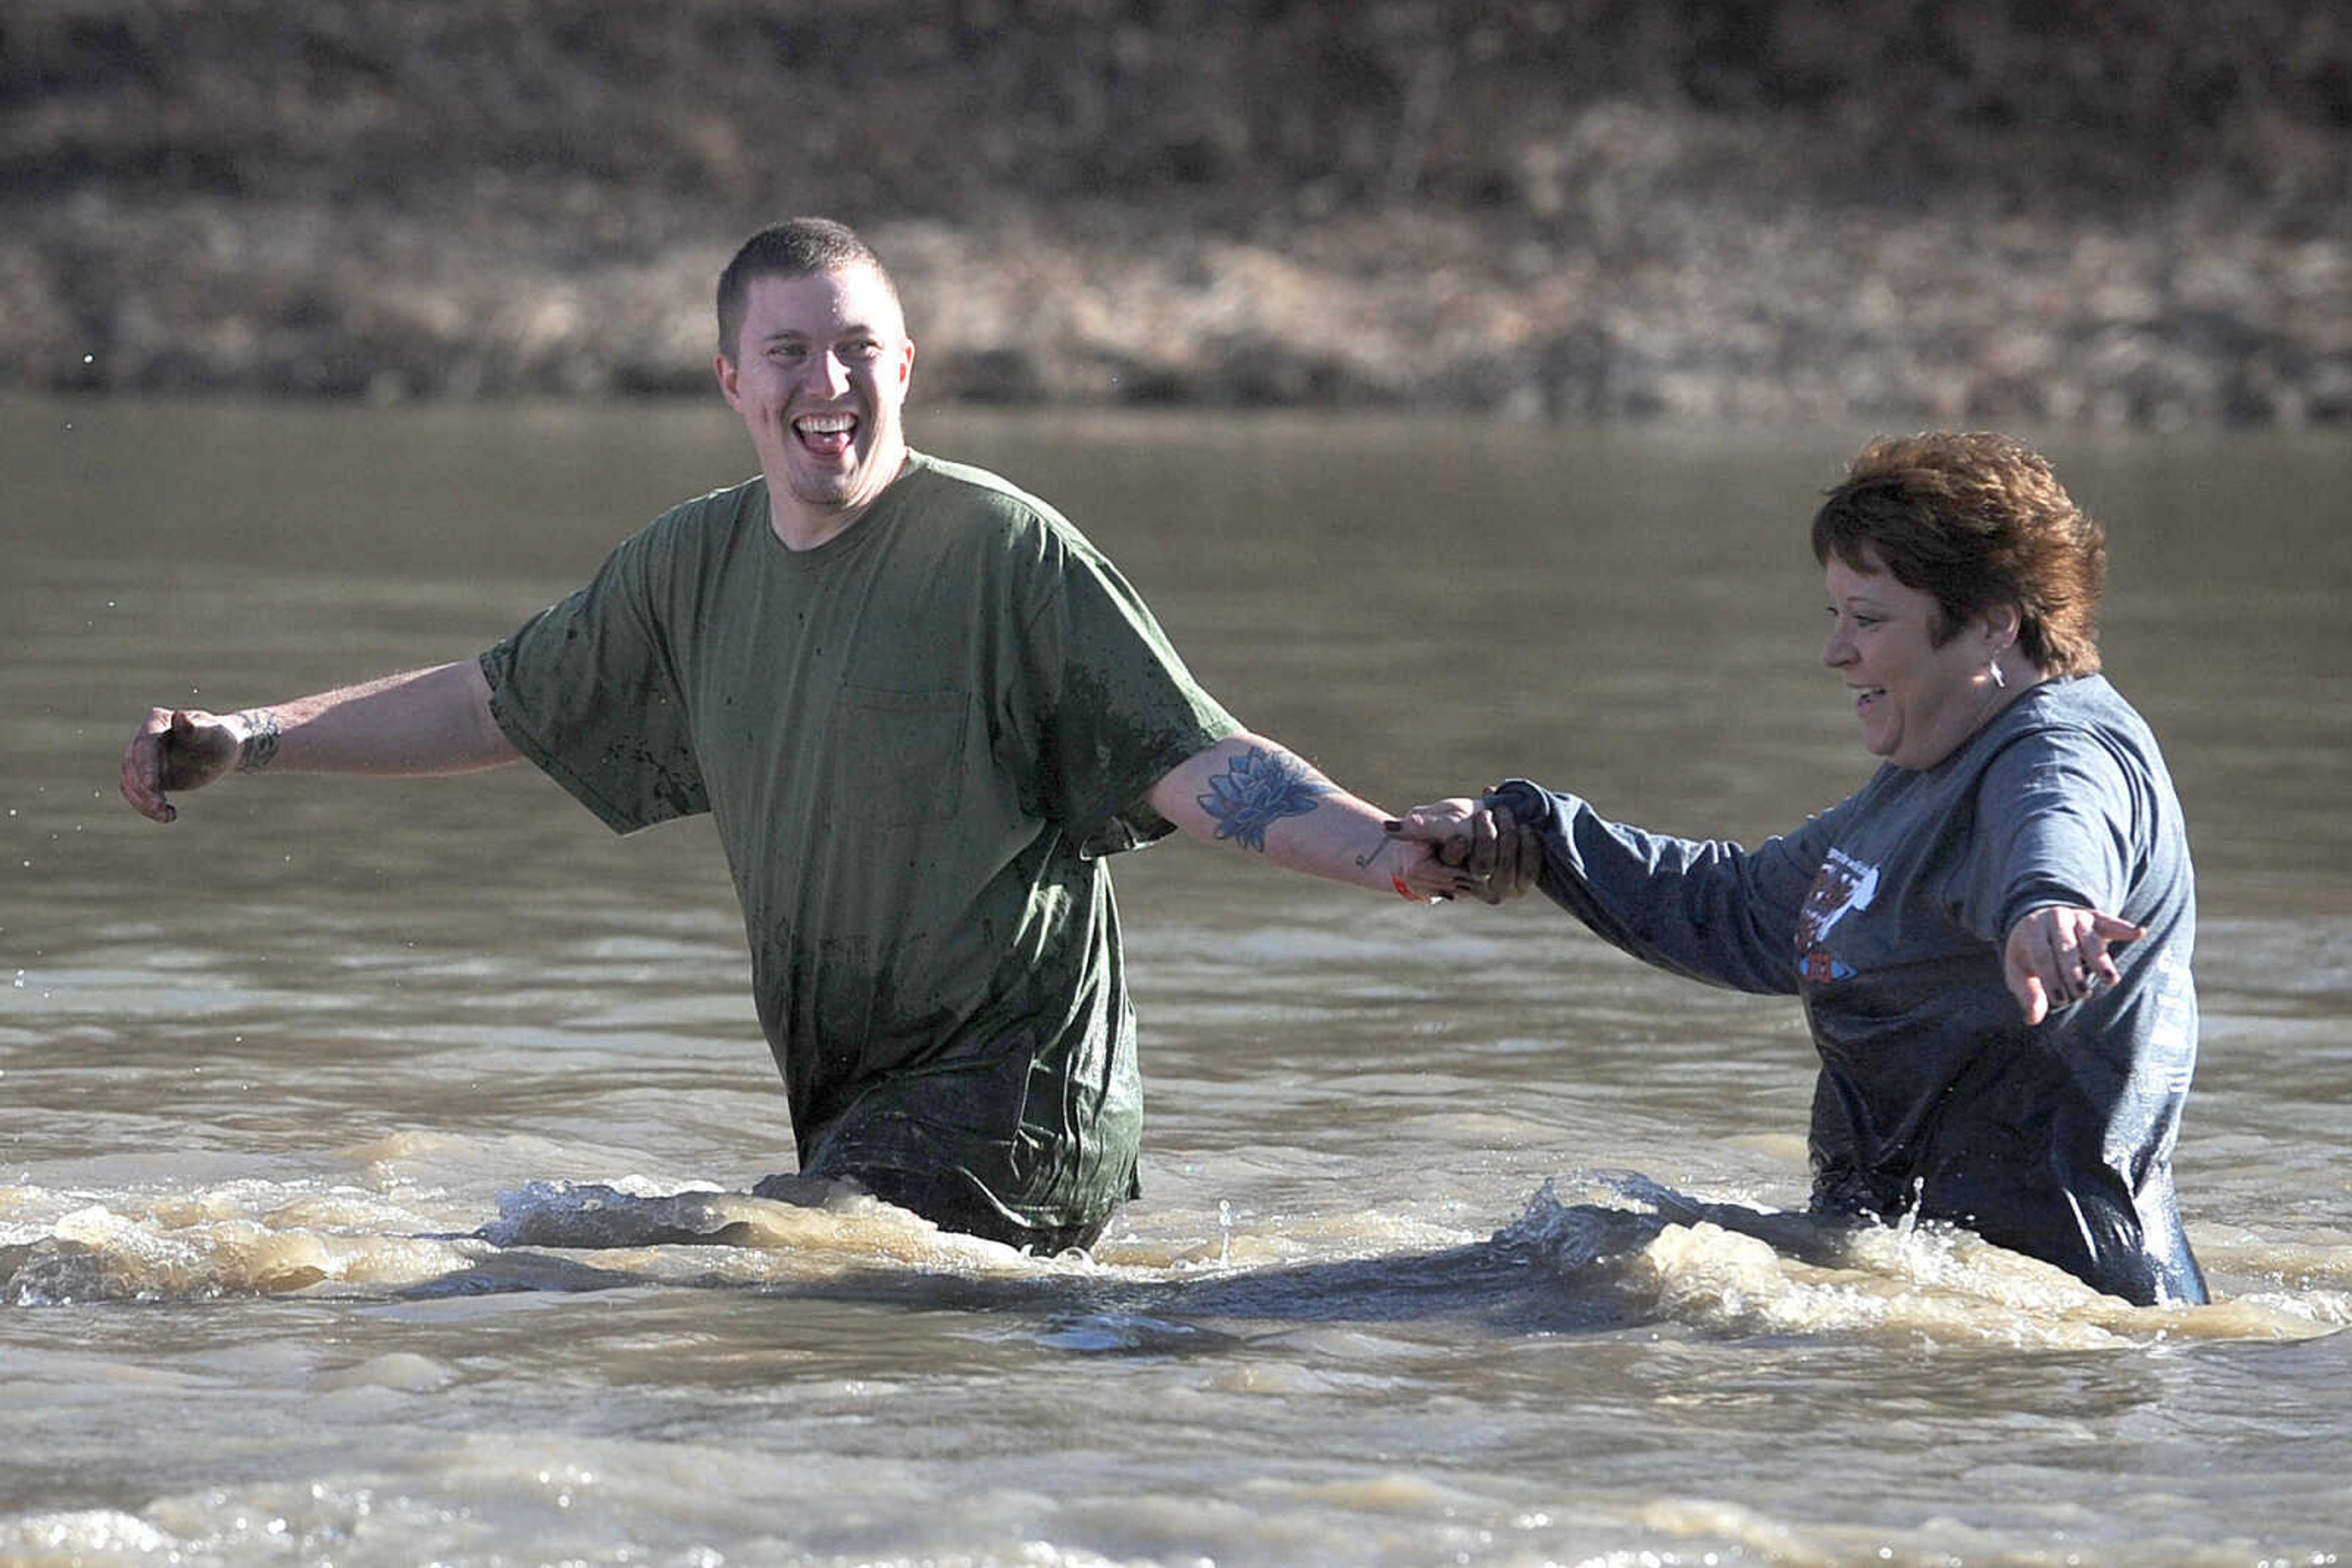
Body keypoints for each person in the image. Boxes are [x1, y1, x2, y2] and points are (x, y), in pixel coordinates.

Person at [120, 216, 1494, 1256]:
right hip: (856, 1097)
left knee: (647, 1268)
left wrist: (1379, 849)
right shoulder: (690, 568)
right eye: (789, 352)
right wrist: (253, 736)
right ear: (734, 379)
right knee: (738, 1306)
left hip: (1014, 1095)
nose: (824, 384)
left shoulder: (1001, 552)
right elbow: (495, 700)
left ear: (905, 367)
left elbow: (1196, 760)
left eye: (854, 351)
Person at [1396, 432, 2207, 1305]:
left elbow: (2060, 825)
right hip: (1924, 1290)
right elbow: (1735, 909)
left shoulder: (2061, 748)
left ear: (1993, 624)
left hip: (2078, 1324)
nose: (1837, 652)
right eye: (1836, 618)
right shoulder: (1918, 783)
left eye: (1870, 619)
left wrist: (2049, 907)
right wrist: (1538, 835)